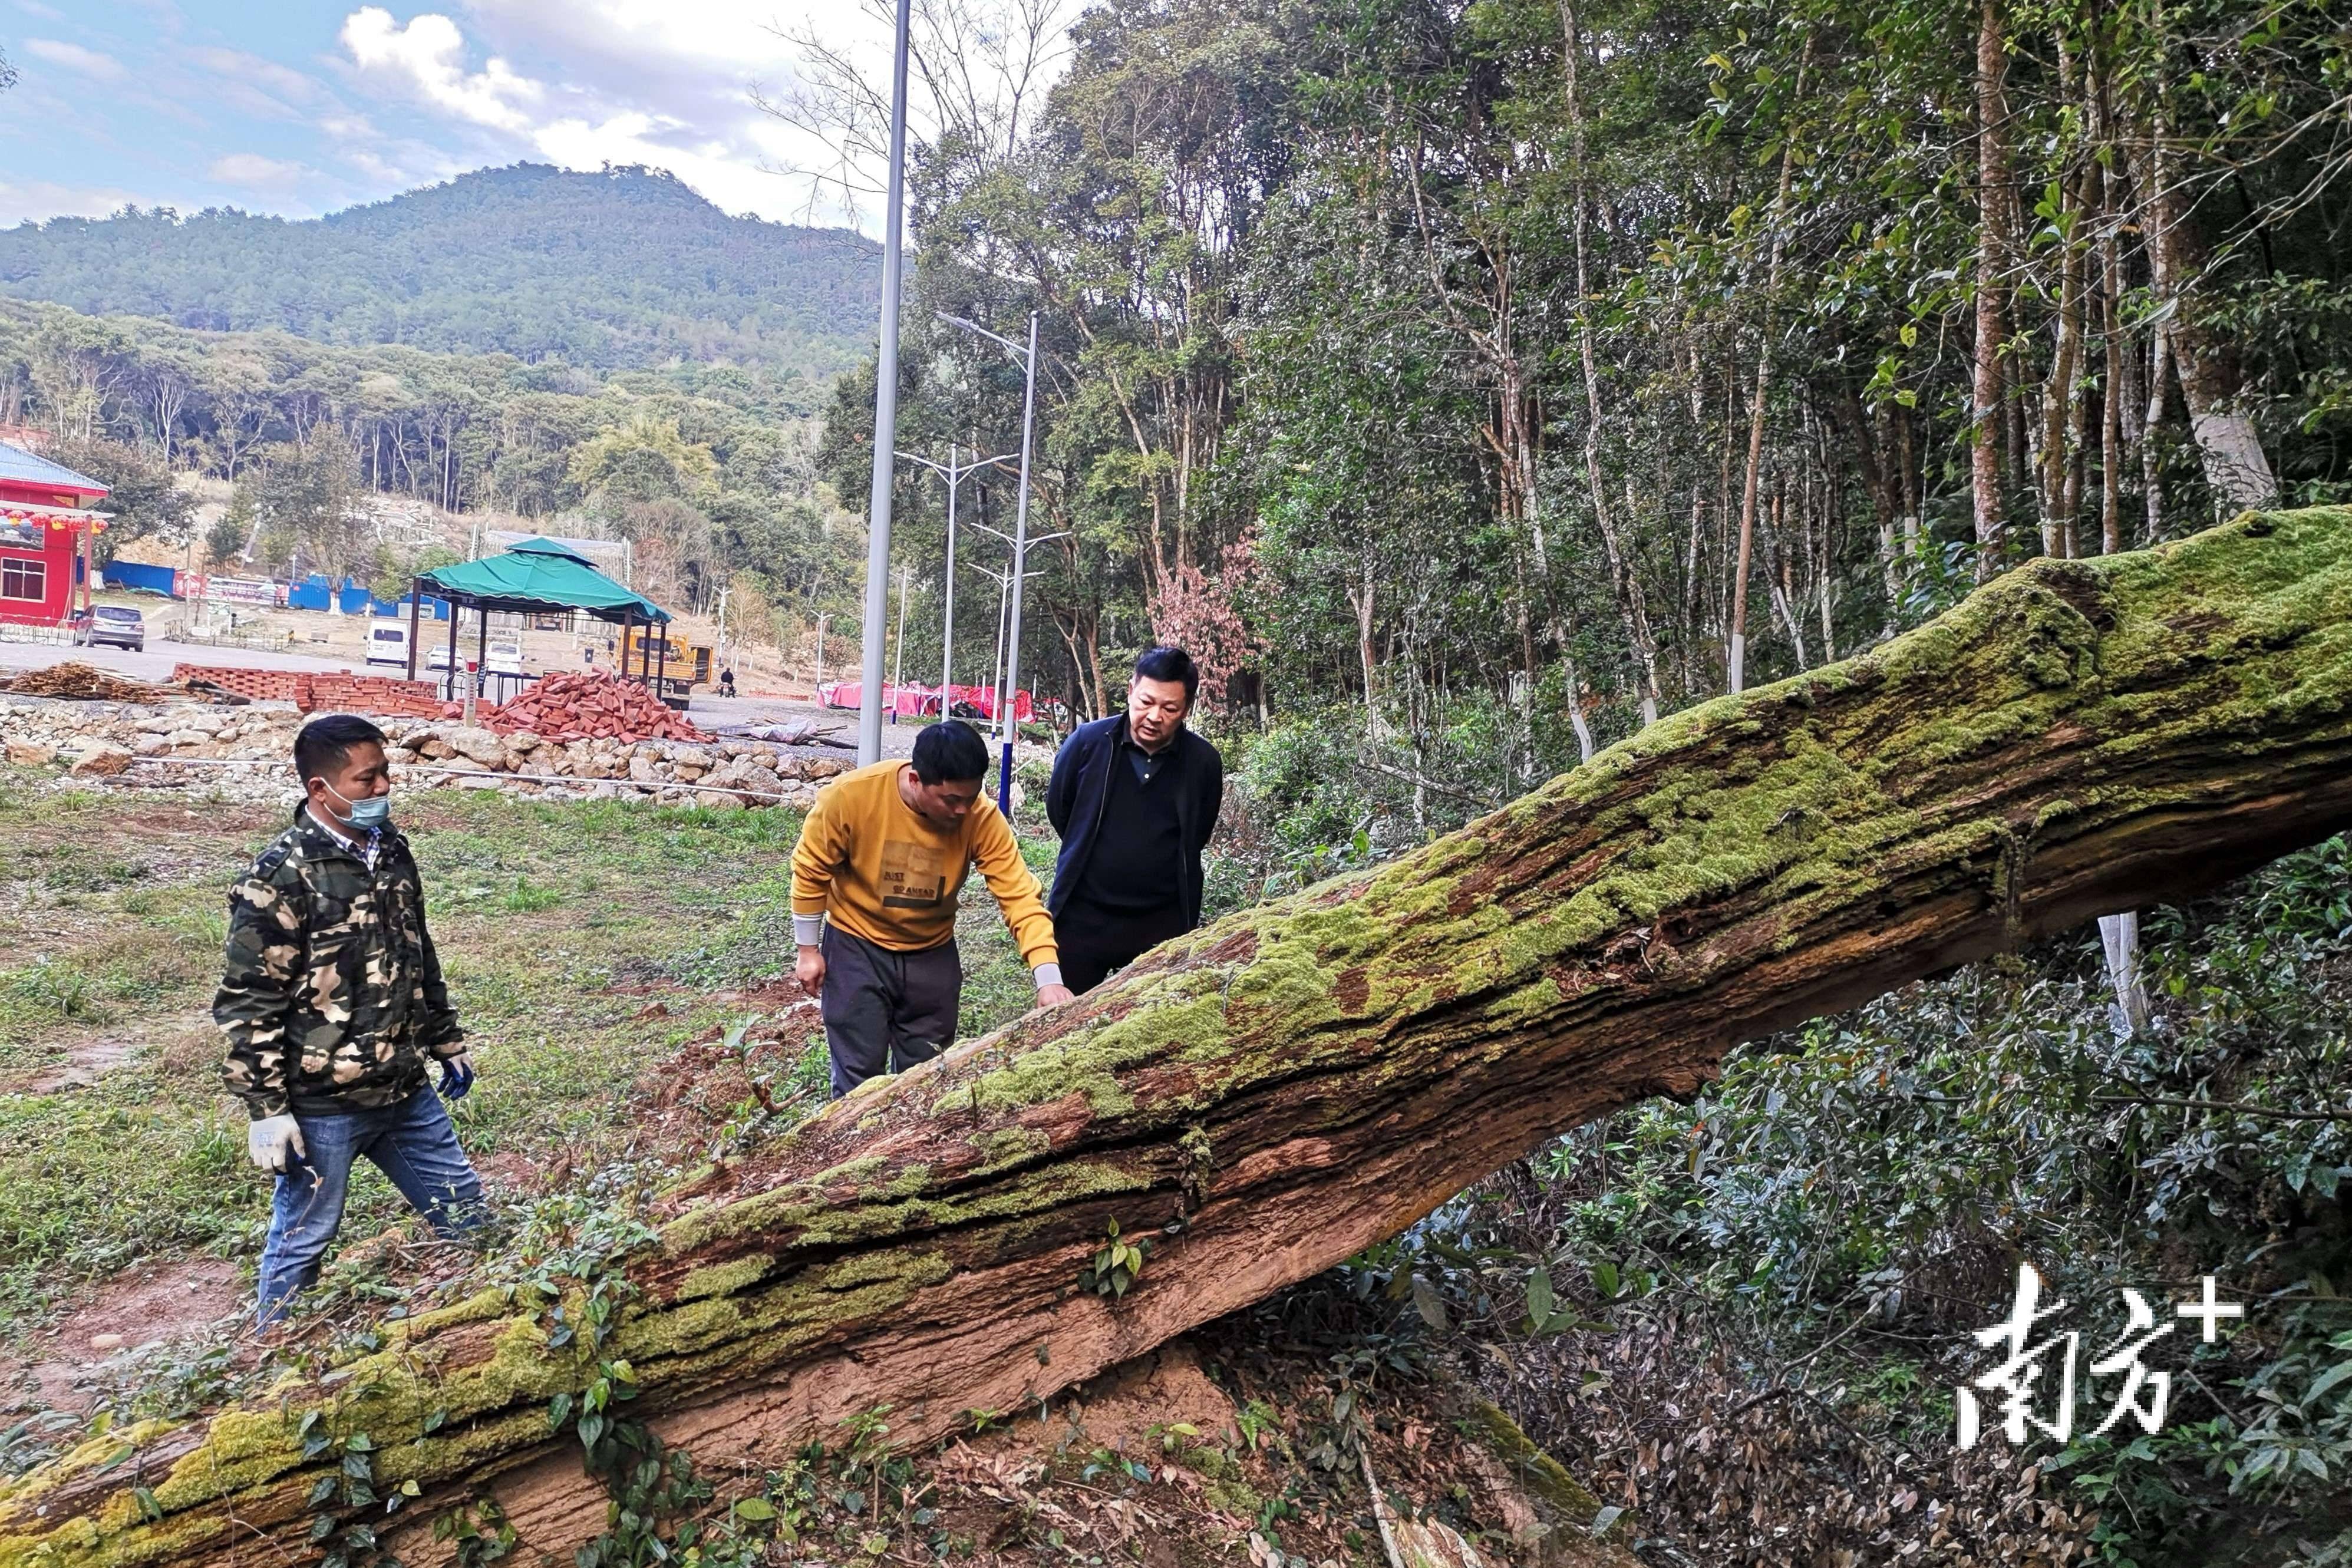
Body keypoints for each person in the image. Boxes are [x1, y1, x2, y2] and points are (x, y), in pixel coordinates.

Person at [216, 714, 484, 1326]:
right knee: (303, 1242)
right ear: (321, 788)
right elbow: (248, 1001)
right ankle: (274, 1350)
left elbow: (417, 949)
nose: (384, 788)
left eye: (386, 773)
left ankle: (480, 1325)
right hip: (322, 1106)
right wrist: (268, 1110)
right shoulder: (278, 879)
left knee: (465, 1210)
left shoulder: (389, 851)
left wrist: (444, 1038)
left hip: (402, 1088)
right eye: (368, 779)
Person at [790, 719, 1074, 1096]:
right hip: (856, 947)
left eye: (970, 799)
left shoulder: (981, 817)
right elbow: (811, 869)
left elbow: (1019, 894)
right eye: (951, 800)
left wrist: (1049, 978)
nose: (961, 811)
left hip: (932, 955)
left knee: (927, 1077)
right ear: (915, 781)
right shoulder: (850, 798)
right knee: (858, 1078)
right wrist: (808, 950)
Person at [1045, 647, 1225, 994]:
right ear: (1130, 692)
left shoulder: (1202, 762)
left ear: (1186, 709)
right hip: (1083, 917)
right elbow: (1060, 810)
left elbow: (1198, 832)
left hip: (1161, 922)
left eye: (1169, 708)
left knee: (1152, 1028)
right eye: (1145, 702)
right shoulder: (1088, 743)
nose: (1154, 716)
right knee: (1065, 1024)